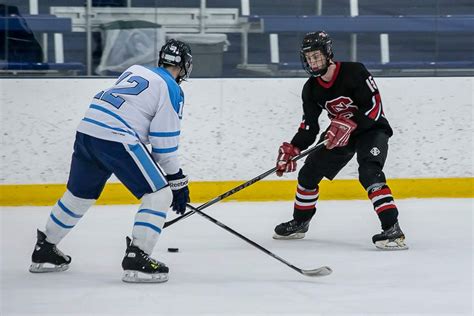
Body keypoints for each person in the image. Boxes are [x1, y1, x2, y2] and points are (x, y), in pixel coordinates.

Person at [29, 39, 193, 282]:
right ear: (185, 66)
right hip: (116, 137)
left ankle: (45, 249)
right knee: (159, 194)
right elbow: (163, 148)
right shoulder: (172, 88)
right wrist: (178, 182)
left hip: (87, 131)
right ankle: (138, 259)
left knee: (78, 196)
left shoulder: (136, 70)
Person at [273, 31, 407, 250]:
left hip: (371, 130)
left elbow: (374, 107)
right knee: (308, 174)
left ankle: (392, 229)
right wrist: (294, 148)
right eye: (308, 58)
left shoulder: (355, 71)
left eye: (316, 56)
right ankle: (300, 222)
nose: (312, 62)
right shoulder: (311, 89)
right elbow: (310, 127)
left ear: (327, 54)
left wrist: (352, 123)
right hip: (339, 135)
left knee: (369, 172)